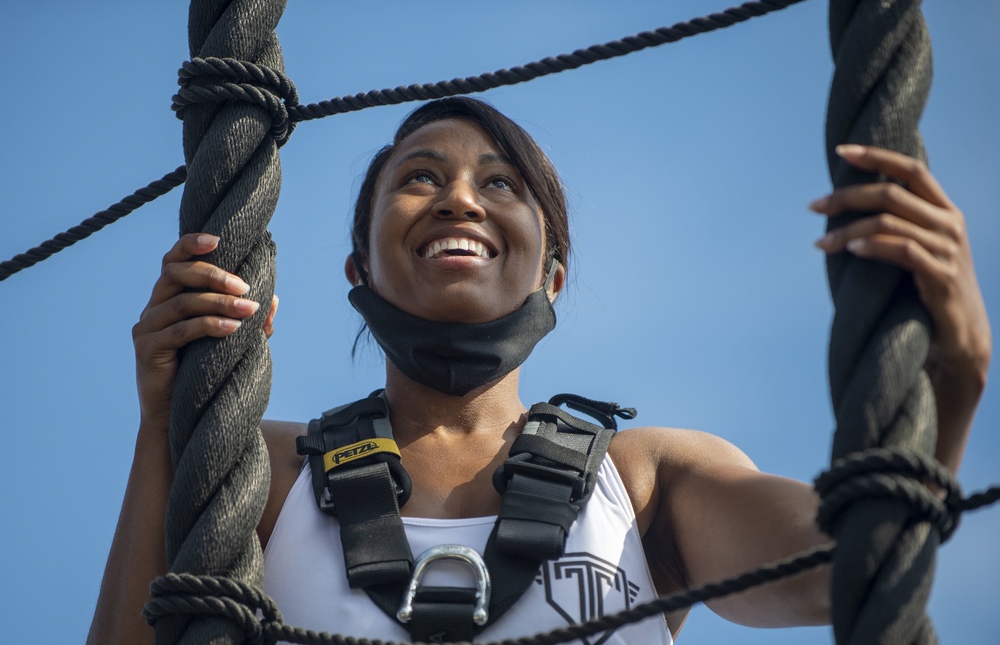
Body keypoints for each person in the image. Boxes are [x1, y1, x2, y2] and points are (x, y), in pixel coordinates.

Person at [88, 97, 991, 643]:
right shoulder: (268, 471)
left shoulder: (646, 479)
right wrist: (166, 426)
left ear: (552, 274)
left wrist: (956, 380)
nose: (459, 196)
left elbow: (845, 572)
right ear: (357, 267)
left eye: (503, 184)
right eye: (419, 176)